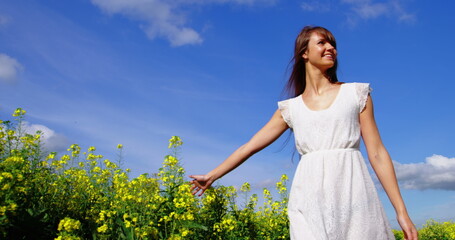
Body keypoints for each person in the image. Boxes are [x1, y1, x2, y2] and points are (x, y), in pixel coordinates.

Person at [189, 26, 418, 240]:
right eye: (322, 43)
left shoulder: (356, 93)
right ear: (304, 53)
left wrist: (401, 211)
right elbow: (249, 146)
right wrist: (212, 175)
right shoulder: (290, 109)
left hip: (352, 189)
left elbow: (377, 153)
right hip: (308, 196)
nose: (331, 48)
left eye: (332, 44)